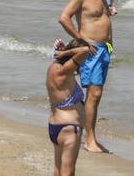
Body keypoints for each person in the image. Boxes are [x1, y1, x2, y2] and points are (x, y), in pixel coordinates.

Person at [58, 0, 115, 154]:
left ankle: (86, 135)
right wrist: (81, 39)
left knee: (95, 95)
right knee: (94, 94)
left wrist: (110, 10)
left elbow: (100, 18)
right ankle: (90, 140)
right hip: (91, 50)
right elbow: (64, 17)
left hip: (104, 49)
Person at [47, 39, 93, 176]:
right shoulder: (64, 71)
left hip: (56, 125)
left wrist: (63, 51)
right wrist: (67, 52)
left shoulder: (53, 67)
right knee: (68, 172)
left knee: (58, 169)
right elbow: (86, 50)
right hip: (68, 128)